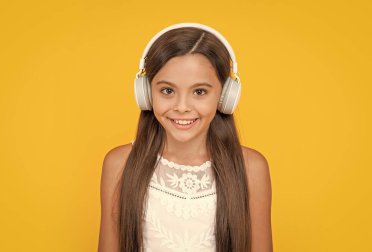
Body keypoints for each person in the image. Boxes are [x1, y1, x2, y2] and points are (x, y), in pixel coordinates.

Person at [98, 23, 273, 252]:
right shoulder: (119, 164)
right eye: (167, 91)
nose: (182, 107)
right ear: (146, 94)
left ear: (225, 96)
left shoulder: (251, 168)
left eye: (199, 92)